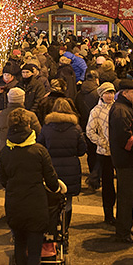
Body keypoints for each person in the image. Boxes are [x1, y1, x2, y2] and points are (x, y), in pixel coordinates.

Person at [0, 108, 63, 265]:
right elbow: (52, 181)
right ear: (28, 127)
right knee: (34, 253)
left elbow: (2, 179)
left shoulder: (5, 152)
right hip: (35, 206)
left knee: (19, 246)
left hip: (14, 205)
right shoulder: (39, 151)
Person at [39, 97, 85, 230]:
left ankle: (53, 228)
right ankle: (65, 229)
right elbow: (82, 150)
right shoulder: (76, 128)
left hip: (51, 167)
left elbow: (40, 146)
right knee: (68, 200)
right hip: (71, 168)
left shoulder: (47, 127)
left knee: (51, 199)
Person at [108, 79, 133, 243]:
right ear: (124, 93)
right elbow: (125, 138)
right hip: (125, 160)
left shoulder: (126, 107)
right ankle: (123, 232)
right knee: (126, 196)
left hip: (127, 159)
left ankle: (126, 227)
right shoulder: (121, 110)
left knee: (128, 195)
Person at [86, 82, 117, 226]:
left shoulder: (118, 108)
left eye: (111, 92)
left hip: (120, 152)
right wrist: (103, 143)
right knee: (108, 185)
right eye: (106, 93)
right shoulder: (96, 111)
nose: (109, 96)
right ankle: (108, 214)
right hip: (104, 153)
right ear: (101, 95)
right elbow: (90, 131)